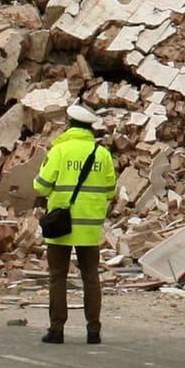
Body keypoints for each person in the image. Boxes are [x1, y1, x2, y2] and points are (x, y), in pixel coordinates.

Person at [31, 104, 117, 344]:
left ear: (69, 125)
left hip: (61, 225)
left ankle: (56, 329)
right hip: (89, 227)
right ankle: (93, 331)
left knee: (58, 276)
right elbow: (111, 191)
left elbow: (41, 186)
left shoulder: (60, 150)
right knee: (91, 277)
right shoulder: (102, 154)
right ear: (90, 127)